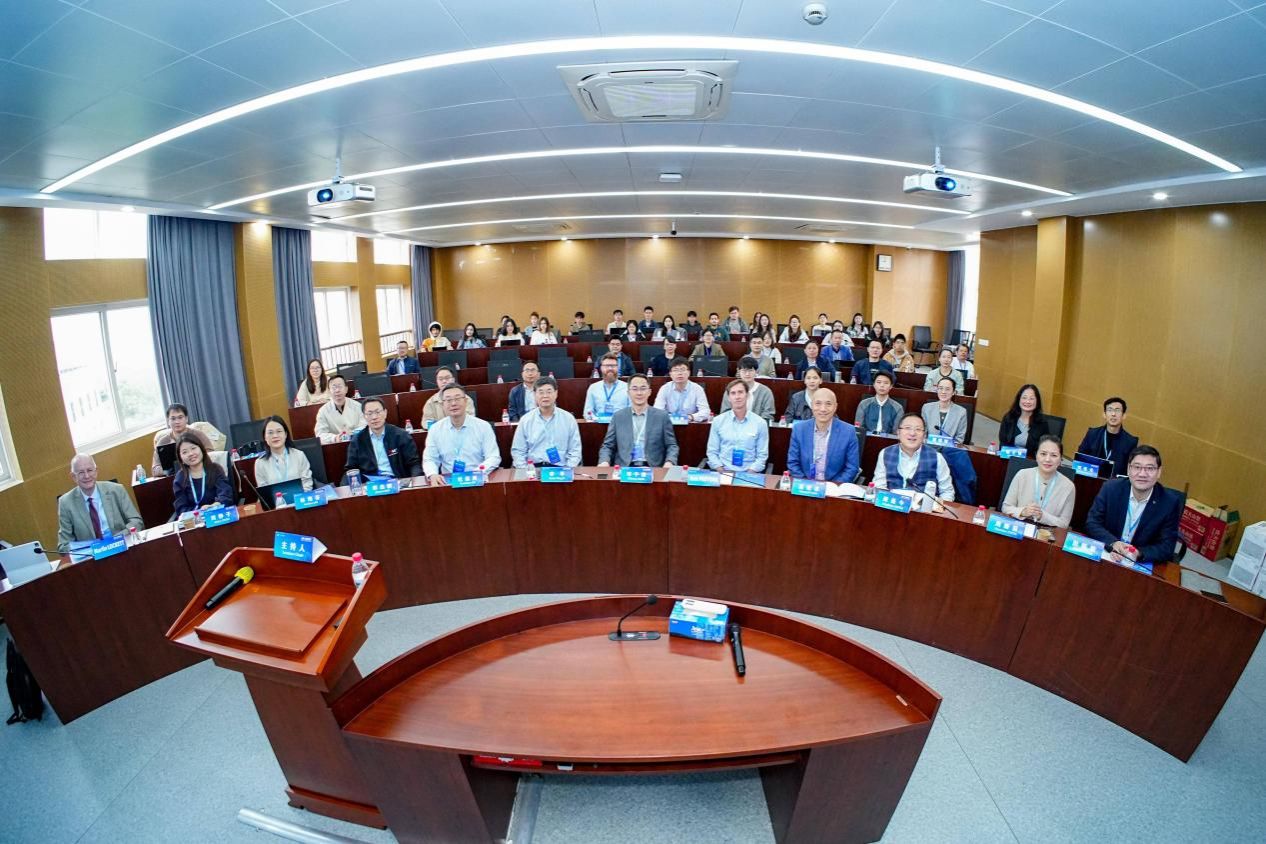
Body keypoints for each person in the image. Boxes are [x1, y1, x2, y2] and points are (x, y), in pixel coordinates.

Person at [1085, 445, 1184, 564]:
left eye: (1150, 468)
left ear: (1159, 472)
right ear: (1128, 469)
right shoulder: (1110, 489)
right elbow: (1092, 522)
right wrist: (1113, 542)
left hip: (1139, 563)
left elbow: (1167, 547)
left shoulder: (1169, 503)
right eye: (1137, 467)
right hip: (1107, 555)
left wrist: (1139, 553)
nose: (1142, 474)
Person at [57, 454, 144, 552]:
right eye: (81, 472)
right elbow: (63, 545)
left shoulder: (116, 490)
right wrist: (92, 546)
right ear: (73, 477)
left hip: (122, 547)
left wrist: (115, 540)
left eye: (90, 470)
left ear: (96, 471)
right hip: (92, 555)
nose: (86, 476)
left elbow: (137, 522)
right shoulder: (65, 503)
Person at [421, 385, 500, 484]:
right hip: (449, 482)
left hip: (479, 479)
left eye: (457, 399)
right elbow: (429, 459)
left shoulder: (483, 426)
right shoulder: (435, 429)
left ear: (466, 401)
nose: (453, 403)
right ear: (443, 405)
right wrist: (432, 474)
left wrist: (478, 472)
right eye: (448, 400)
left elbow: (493, 457)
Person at [598, 375, 679, 467]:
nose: (639, 393)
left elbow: (672, 445)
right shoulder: (618, 416)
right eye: (635, 389)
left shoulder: (662, 416)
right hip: (625, 468)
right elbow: (608, 446)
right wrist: (604, 462)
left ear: (649, 392)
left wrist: (669, 462)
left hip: (653, 467)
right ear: (628, 393)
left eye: (643, 388)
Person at [872, 413, 955, 500]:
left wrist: (937, 506)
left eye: (918, 429)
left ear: (924, 435)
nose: (912, 433)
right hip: (892, 505)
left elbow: (947, 492)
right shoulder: (885, 453)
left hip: (925, 507)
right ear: (898, 433)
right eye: (907, 428)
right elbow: (879, 486)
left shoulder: (937, 457)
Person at [786, 390, 860, 483]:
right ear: (812, 405)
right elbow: (793, 463)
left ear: (835, 407)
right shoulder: (799, 429)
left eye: (828, 404)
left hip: (834, 487)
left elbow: (852, 468)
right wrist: (806, 484)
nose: (823, 409)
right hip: (804, 485)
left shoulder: (848, 431)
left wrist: (834, 486)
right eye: (818, 403)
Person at [1001, 435, 1075, 529]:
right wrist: (1023, 512)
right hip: (1018, 528)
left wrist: (1042, 516)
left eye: (1054, 455)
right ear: (1036, 456)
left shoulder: (1068, 487)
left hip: (1047, 534)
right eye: (1043, 454)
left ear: (1060, 459)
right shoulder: (1022, 475)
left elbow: (1064, 523)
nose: (1047, 459)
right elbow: (1006, 507)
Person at [345, 397, 422, 484]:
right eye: (369, 414)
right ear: (364, 417)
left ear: (385, 413)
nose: (374, 417)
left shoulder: (401, 435)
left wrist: (416, 483)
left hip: (399, 483)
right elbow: (351, 469)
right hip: (370, 485)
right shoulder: (357, 440)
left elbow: (414, 464)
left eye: (378, 412)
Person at [511, 377, 582, 468]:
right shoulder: (525, 420)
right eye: (541, 392)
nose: (545, 396)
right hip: (533, 468)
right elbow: (518, 451)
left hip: (561, 468)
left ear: (556, 393)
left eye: (549, 392)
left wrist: (568, 469)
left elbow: (575, 451)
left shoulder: (568, 419)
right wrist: (525, 470)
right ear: (534, 395)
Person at [706, 380, 770, 472]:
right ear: (729, 398)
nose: (737, 397)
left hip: (749, 473)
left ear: (747, 395)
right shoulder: (718, 421)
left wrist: (749, 473)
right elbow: (712, 452)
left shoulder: (760, 423)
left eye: (740, 392)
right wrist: (721, 471)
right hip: (723, 471)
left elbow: (762, 455)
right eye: (733, 393)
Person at [171, 433, 234, 516]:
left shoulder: (215, 469)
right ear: (181, 458)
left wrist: (215, 505)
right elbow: (181, 508)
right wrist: (199, 512)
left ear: (201, 449)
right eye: (185, 452)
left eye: (193, 448)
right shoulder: (180, 478)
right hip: (194, 519)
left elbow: (225, 494)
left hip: (218, 514)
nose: (190, 453)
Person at [1076, 396, 1138, 477]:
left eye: (1117, 410)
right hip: (1089, 478)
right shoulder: (1092, 434)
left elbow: (1129, 471)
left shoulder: (1130, 442)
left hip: (1114, 482)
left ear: (1124, 416)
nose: (1113, 414)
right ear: (1104, 414)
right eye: (1110, 410)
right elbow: (1080, 460)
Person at [252, 416, 314, 492]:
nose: (275, 436)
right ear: (265, 437)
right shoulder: (260, 463)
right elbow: (265, 492)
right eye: (270, 433)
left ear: (286, 434)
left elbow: (307, 484)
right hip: (275, 500)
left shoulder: (299, 455)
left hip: (300, 498)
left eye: (279, 431)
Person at [151, 403, 213, 476]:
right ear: (168, 421)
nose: (177, 422)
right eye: (173, 419)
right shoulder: (162, 442)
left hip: (200, 473)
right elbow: (155, 470)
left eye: (180, 417)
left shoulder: (198, 435)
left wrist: (192, 464)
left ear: (186, 419)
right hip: (174, 478)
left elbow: (212, 455)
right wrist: (169, 470)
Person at [998, 384, 1052, 460]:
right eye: (1024, 397)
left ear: (1037, 401)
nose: (1027, 401)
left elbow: (1045, 449)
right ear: (1019, 399)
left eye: (1031, 398)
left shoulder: (1042, 422)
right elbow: (1002, 444)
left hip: (1031, 462)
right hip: (1008, 460)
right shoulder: (1009, 418)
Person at [719, 357, 775, 422]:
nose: (747, 374)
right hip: (733, 425)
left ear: (756, 371)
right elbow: (725, 412)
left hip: (757, 426)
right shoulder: (731, 389)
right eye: (744, 371)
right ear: (739, 371)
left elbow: (768, 415)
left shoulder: (765, 391)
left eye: (750, 370)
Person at [315, 374, 365, 443]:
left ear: (346, 389)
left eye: (340, 386)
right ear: (329, 391)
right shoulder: (323, 411)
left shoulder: (358, 406)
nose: (337, 390)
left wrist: (352, 435)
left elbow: (365, 426)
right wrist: (334, 438)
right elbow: (320, 435)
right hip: (335, 446)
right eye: (334, 387)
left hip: (357, 443)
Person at [920, 377, 968, 443]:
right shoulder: (926, 408)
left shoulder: (961, 412)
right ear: (937, 390)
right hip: (929, 446)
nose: (943, 392)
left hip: (950, 448)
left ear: (954, 392)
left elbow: (960, 438)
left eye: (947, 389)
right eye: (940, 388)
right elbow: (923, 432)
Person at [584, 354, 631, 419]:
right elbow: (587, 412)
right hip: (599, 423)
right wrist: (597, 419)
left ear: (618, 368)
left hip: (621, 423)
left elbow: (632, 411)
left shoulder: (627, 387)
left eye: (613, 366)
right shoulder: (593, 388)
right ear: (601, 368)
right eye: (606, 366)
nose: (610, 368)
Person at [855, 370, 902, 434]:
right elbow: (858, 429)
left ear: (891, 386)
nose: (882, 385)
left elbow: (896, 433)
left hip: (887, 439)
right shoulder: (863, 404)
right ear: (874, 385)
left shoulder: (898, 408)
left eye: (886, 383)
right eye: (879, 382)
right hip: (866, 438)